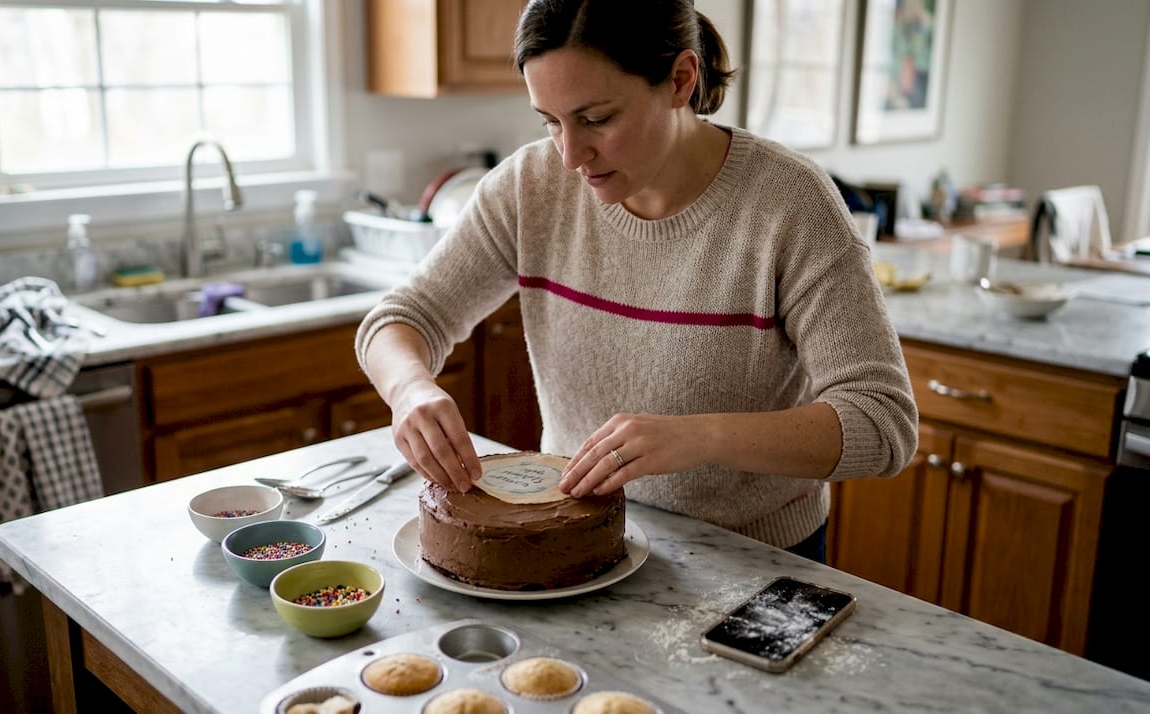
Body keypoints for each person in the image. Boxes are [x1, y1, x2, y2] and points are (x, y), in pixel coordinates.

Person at [355, 0, 918, 562]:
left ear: (680, 79)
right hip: (574, 544)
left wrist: (700, 437)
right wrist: (410, 389)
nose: (571, 154)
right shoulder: (529, 188)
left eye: (596, 119)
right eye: (550, 121)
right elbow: (401, 320)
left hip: (753, 559)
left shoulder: (789, 206)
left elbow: (881, 422)